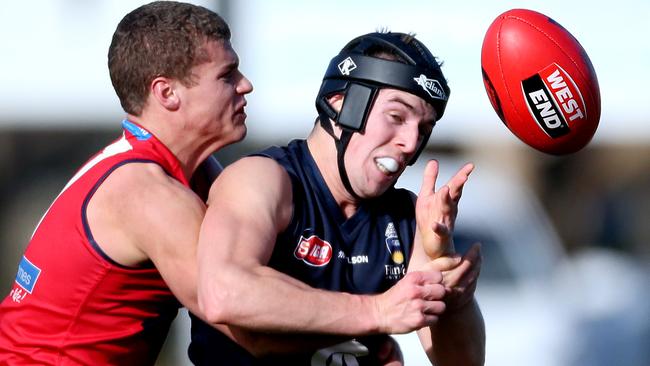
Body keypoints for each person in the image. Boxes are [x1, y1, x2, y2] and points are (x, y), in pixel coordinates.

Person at [191, 31, 486, 365]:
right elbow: (223, 292)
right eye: (396, 117)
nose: (410, 142)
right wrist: (376, 311)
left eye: (423, 129)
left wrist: (455, 301)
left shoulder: (404, 218)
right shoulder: (263, 180)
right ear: (340, 103)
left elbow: (462, 362)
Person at [0, 1, 253, 364]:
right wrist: (362, 313)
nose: (246, 85)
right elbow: (241, 318)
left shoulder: (183, 168)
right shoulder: (144, 190)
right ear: (167, 93)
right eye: (227, 75)